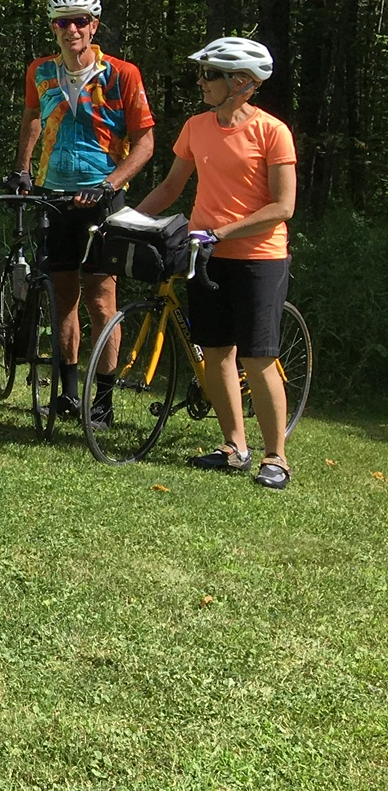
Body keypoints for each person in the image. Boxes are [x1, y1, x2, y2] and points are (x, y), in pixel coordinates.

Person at [133, 36, 297, 489]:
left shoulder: (272, 132)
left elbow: (283, 206)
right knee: (217, 352)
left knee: (258, 356)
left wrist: (224, 232)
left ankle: (276, 457)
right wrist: (127, 220)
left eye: (209, 74)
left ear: (241, 82)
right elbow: (171, 188)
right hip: (204, 254)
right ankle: (234, 447)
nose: (201, 82)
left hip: (259, 257)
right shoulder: (196, 126)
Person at [11, 0, 156, 425]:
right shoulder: (40, 71)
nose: (71, 29)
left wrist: (111, 184)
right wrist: (22, 170)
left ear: (94, 26)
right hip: (54, 195)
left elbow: (145, 142)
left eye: (80, 21)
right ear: (53, 28)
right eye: (62, 21)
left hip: (102, 197)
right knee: (63, 298)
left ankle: (104, 401)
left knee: (101, 298)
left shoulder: (122, 74)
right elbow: (32, 118)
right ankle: (69, 394)